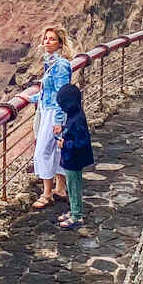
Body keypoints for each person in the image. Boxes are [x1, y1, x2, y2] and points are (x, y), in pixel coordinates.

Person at [28, 25, 74, 209]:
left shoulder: (61, 66)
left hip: (54, 113)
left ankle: (47, 194)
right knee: (57, 150)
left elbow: (62, 95)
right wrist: (32, 97)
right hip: (49, 109)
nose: (47, 41)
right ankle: (60, 189)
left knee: (43, 151)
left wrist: (57, 121)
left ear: (60, 43)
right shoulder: (51, 62)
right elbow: (49, 90)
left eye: (52, 39)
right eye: (46, 38)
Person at [55, 83, 94, 228]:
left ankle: (77, 215)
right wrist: (64, 129)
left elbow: (81, 142)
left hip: (74, 159)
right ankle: (73, 211)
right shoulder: (74, 115)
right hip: (70, 158)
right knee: (71, 185)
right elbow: (72, 132)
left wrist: (64, 144)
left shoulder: (77, 120)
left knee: (74, 186)